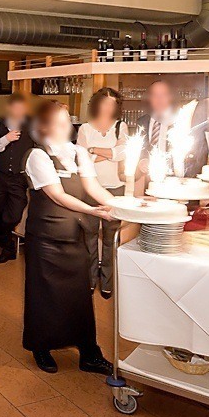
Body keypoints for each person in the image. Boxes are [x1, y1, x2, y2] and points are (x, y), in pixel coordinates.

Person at [23, 100, 115, 376]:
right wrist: (93, 211)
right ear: (44, 127)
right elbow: (57, 194)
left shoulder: (78, 153)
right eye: (60, 122)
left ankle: (89, 353)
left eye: (68, 121)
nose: (67, 127)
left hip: (75, 237)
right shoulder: (37, 156)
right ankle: (42, 347)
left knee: (79, 299)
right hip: (46, 240)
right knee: (44, 296)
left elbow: (93, 186)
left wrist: (120, 205)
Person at [76, 87, 128, 298]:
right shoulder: (85, 129)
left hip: (115, 189)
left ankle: (106, 282)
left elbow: (123, 152)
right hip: (90, 189)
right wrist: (110, 154)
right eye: (105, 102)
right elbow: (81, 159)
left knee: (110, 238)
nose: (108, 107)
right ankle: (89, 280)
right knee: (88, 236)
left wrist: (94, 151)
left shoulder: (120, 127)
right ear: (97, 104)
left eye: (112, 104)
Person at [0, 93, 34, 264]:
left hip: (18, 179)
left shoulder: (32, 126)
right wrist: (5, 139)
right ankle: (8, 249)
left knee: (13, 215)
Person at [134, 80, 207, 178]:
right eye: (154, 95)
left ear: (170, 97)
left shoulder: (182, 120)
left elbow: (197, 155)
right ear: (149, 98)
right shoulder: (142, 122)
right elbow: (139, 150)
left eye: (163, 95)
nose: (159, 99)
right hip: (151, 182)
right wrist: (142, 161)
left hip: (177, 181)